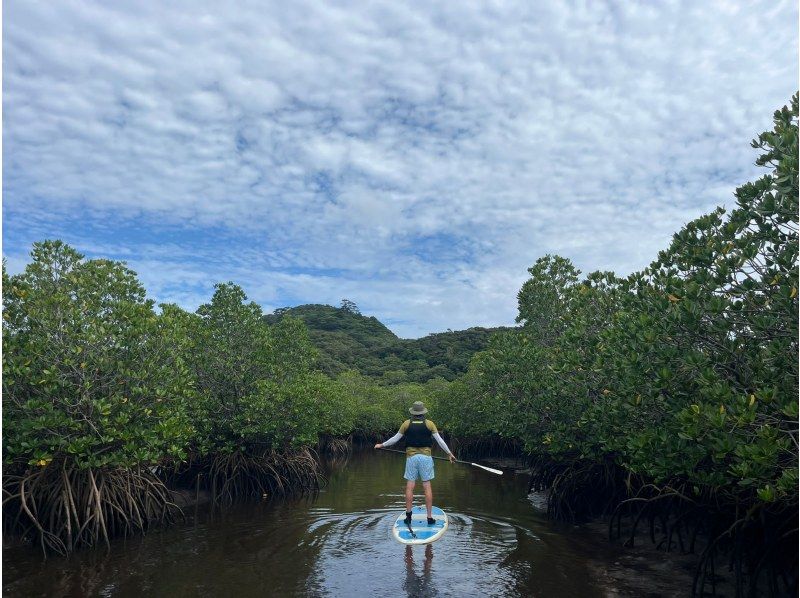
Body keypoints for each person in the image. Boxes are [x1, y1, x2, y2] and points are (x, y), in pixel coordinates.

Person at [374, 401, 456, 525]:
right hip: (425, 458)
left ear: (413, 412)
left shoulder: (406, 424)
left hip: (411, 458)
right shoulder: (430, 424)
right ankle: (429, 518)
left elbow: (395, 439)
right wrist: (449, 453)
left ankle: (408, 517)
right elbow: (440, 441)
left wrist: (381, 445)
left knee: (409, 487)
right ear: (423, 412)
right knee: (427, 486)